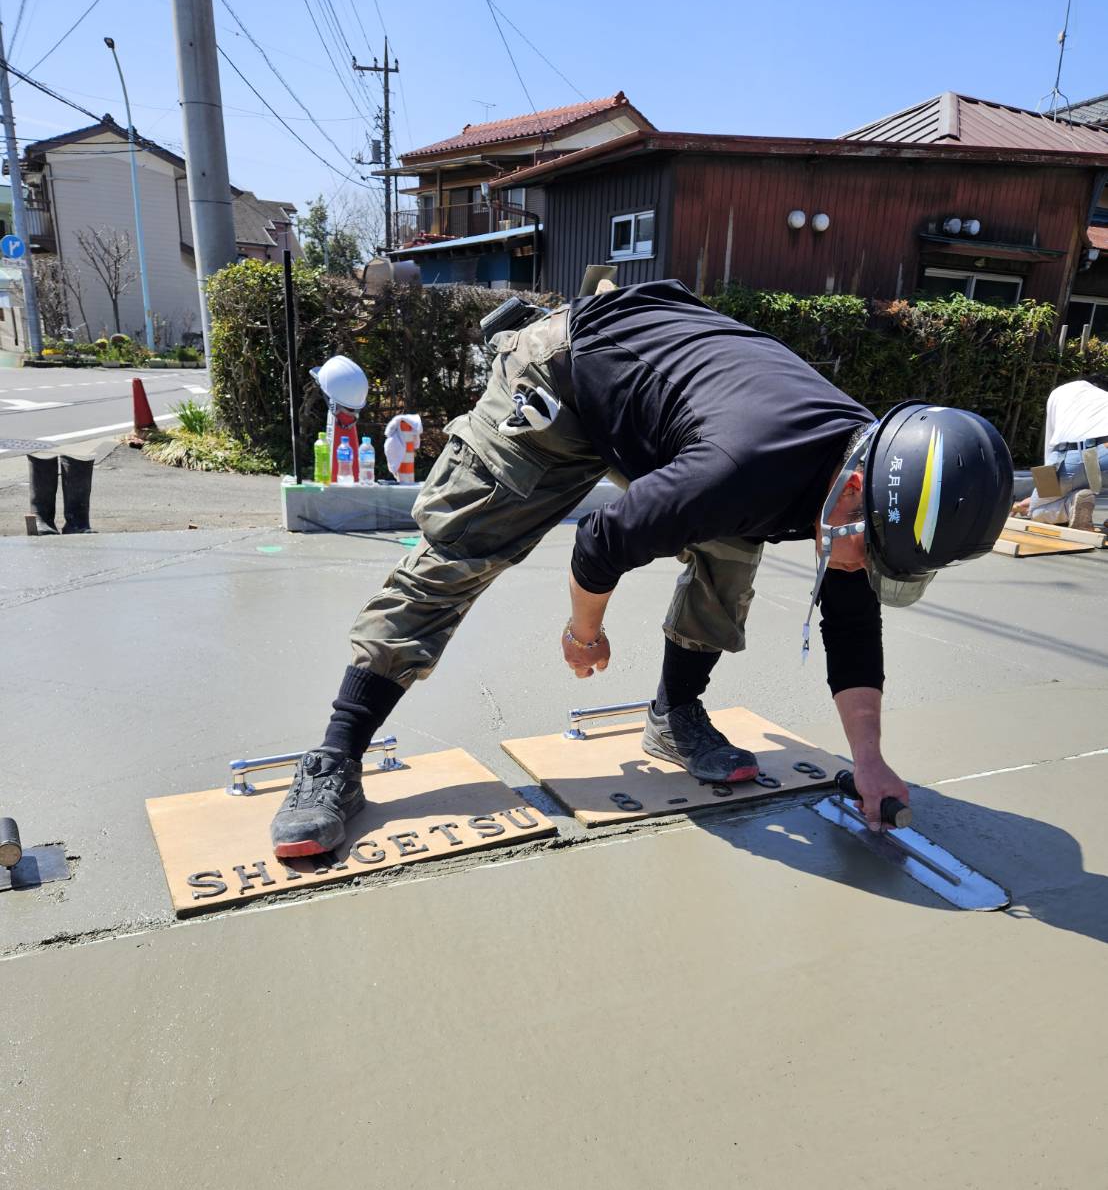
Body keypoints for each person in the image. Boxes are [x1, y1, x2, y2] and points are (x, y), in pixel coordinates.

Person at [271, 279, 1012, 854]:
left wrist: (871, 758)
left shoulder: (858, 470)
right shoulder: (742, 468)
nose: (859, 569)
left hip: (666, 402)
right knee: (465, 544)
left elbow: (852, 618)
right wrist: (584, 634)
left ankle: (673, 713)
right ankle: (336, 753)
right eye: (868, 553)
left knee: (729, 547)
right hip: (565, 373)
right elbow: (599, 541)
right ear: (855, 488)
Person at [1012, 375, 1108, 531]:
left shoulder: (1059, 393)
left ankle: (1069, 505)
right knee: (1085, 479)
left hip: (1073, 459)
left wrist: (1040, 495)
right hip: (1102, 457)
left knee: (1035, 511)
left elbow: (1051, 447)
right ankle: (1071, 499)